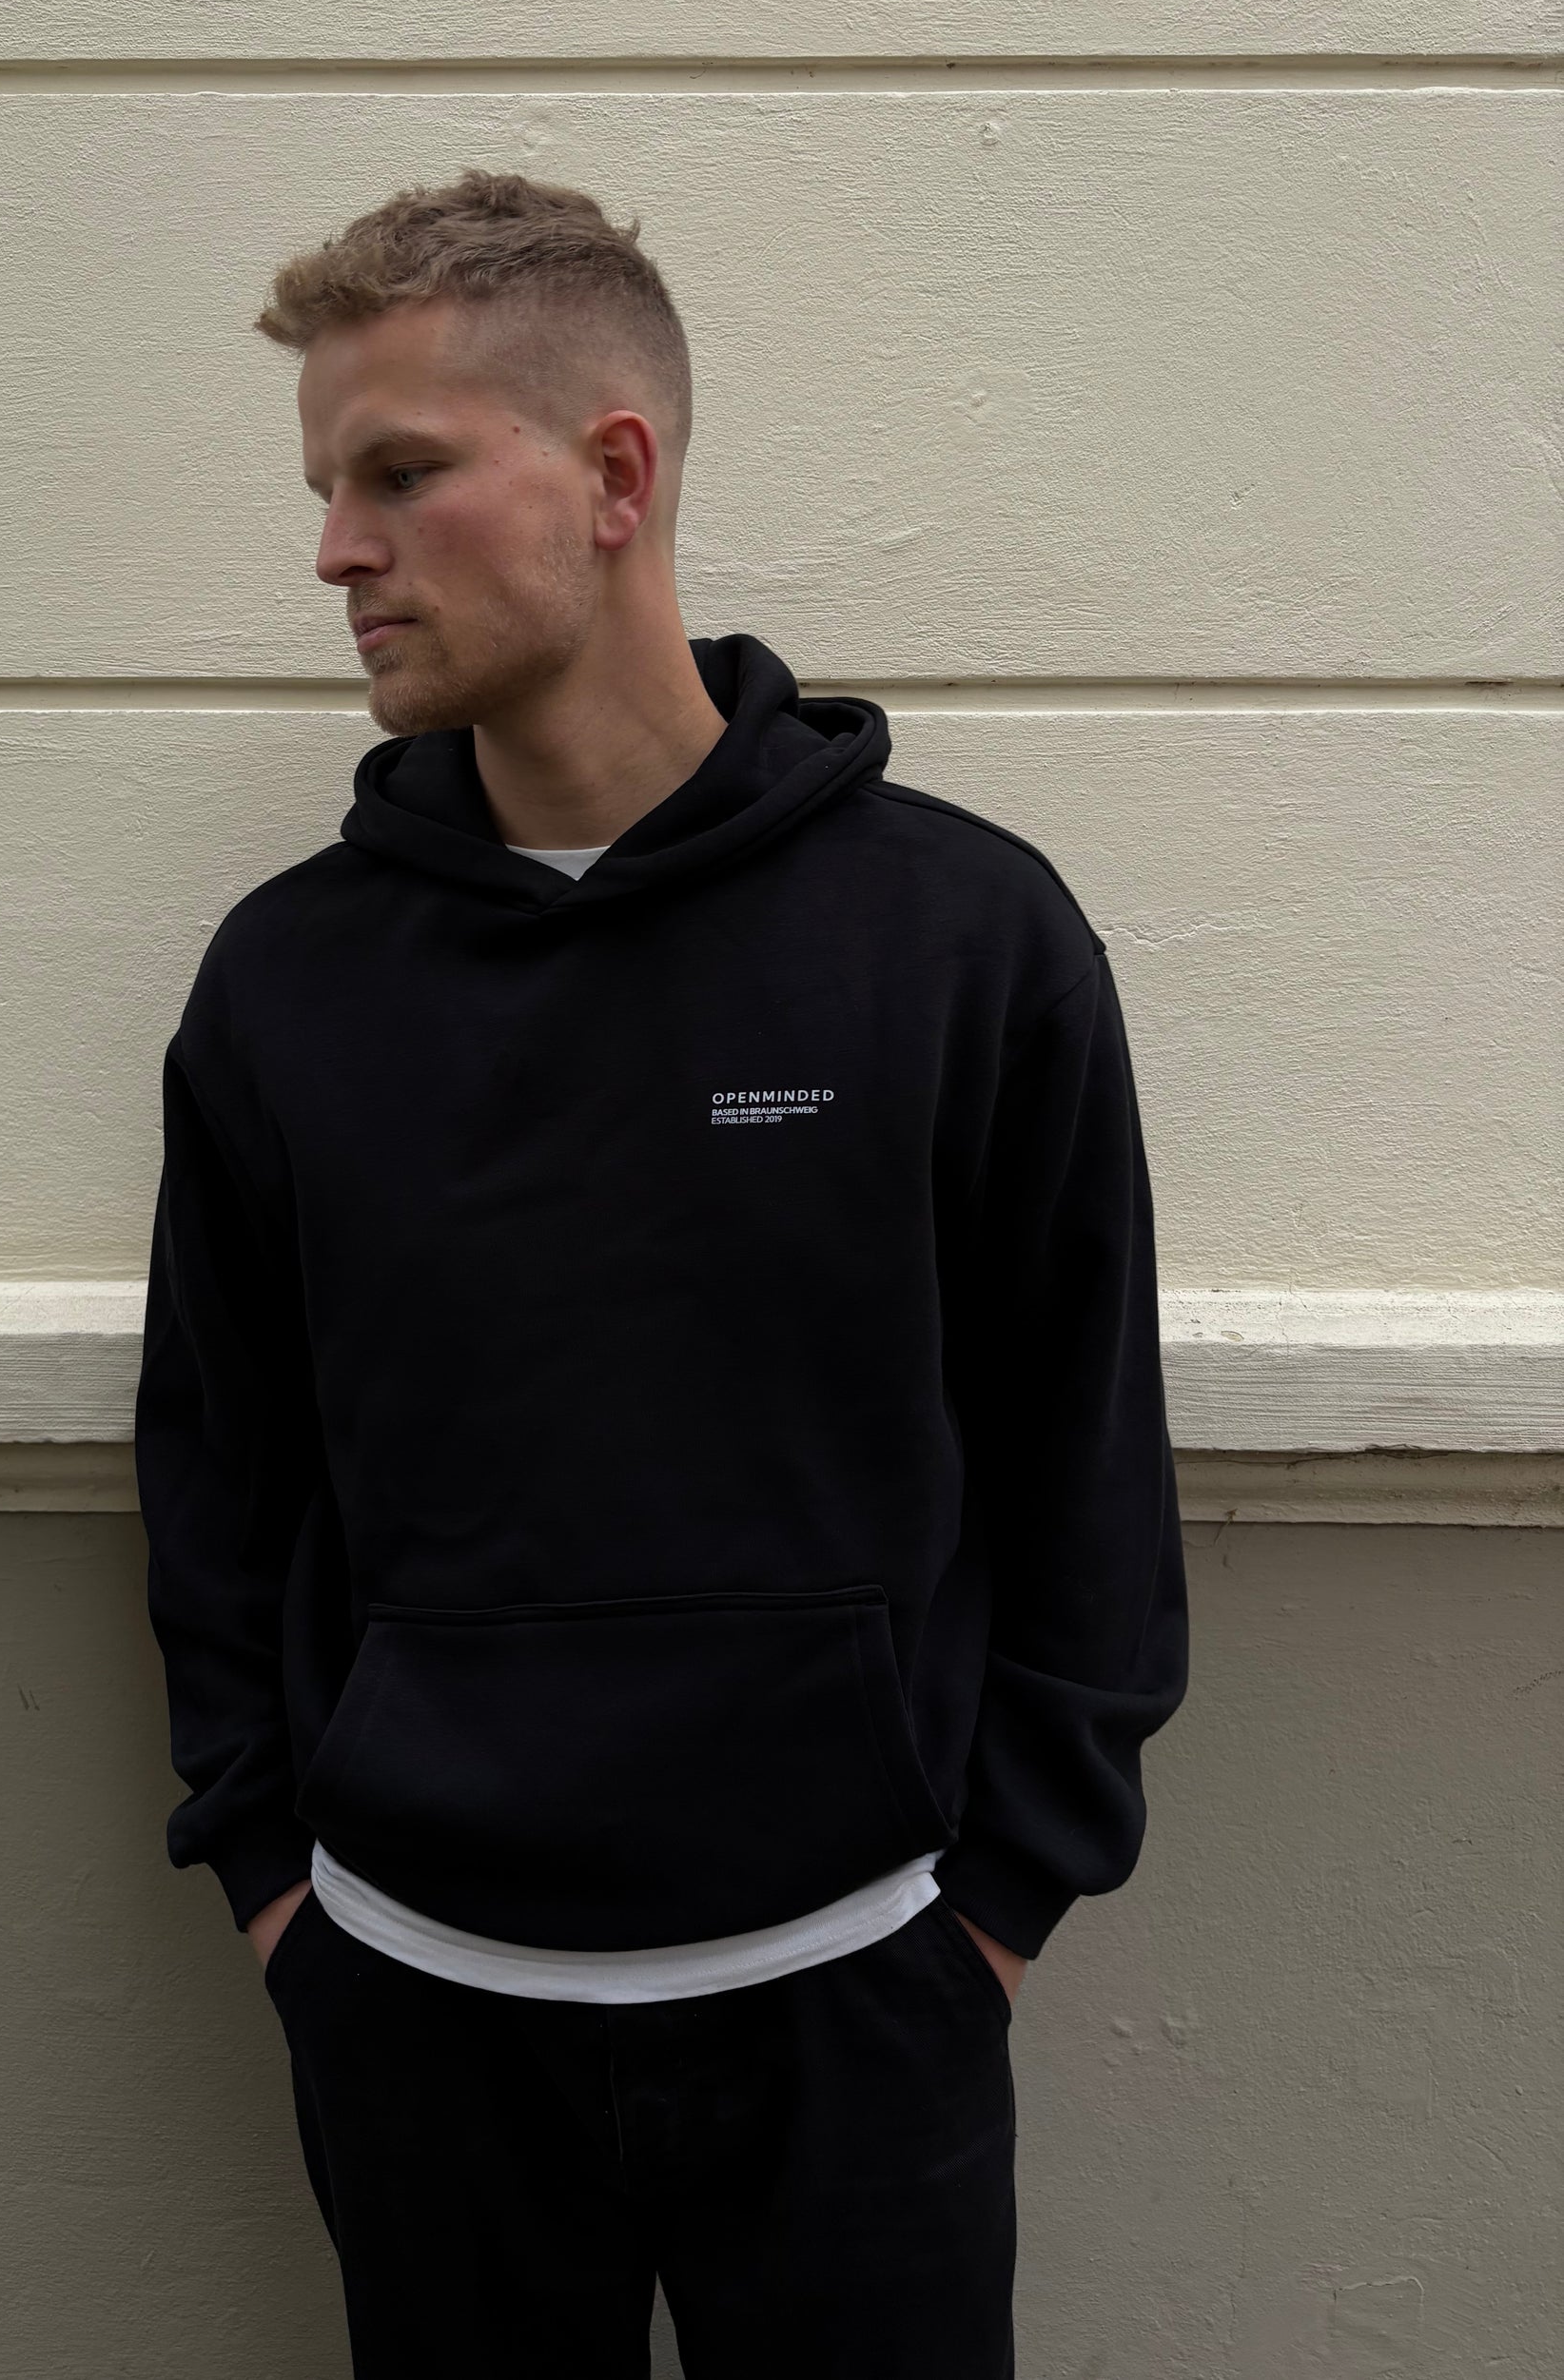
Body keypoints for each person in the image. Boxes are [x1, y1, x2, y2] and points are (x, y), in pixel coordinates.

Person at [134, 167, 1188, 2379]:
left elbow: (1083, 1460)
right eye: (325, 489)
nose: (335, 551)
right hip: (416, 2008)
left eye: (398, 473)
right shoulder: (287, 986)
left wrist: (994, 1904)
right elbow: (218, 1478)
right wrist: (278, 1891)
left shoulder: (958, 943)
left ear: (612, 477)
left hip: (859, 2003)